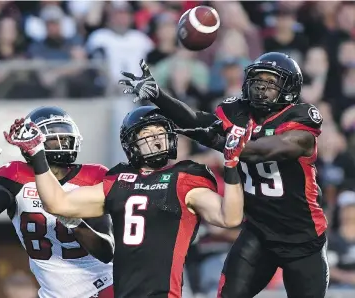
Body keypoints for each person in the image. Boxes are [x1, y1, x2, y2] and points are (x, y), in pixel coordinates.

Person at [119, 53, 329, 298]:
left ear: (289, 88)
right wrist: (158, 96)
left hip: (303, 238)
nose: (262, 86)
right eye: (257, 79)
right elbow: (198, 120)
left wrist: (221, 141)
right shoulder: (236, 112)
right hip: (259, 231)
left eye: (271, 82)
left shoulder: (300, 118)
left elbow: (271, 149)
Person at [3, 105, 252, 298]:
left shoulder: (184, 177)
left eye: (161, 133)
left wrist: (231, 167)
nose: (156, 139)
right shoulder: (119, 180)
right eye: (148, 133)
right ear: (131, 142)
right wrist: (37, 156)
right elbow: (57, 204)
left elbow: (230, 218)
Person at [0, 106, 114, 298]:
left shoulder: (93, 176)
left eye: (65, 135)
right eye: (53, 137)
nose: (62, 141)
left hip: (103, 287)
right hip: (52, 294)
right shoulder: (16, 175)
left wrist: (75, 224)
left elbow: (106, 252)